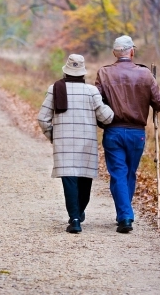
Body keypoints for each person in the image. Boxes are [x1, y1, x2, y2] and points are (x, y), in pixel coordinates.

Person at [95, 35, 160, 233]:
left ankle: (124, 215)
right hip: (137, 133)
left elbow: (95, 101)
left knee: (118, 173)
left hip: (113, 130)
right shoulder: (145, 74)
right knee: (128, 173)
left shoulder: (104, 73)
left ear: (114, 53)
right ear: (132, 52)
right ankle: (125, 215)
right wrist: (151, 85)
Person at [38, 54, 114, 234]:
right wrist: (109, 105)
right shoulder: (91, 91)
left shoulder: (54, 89)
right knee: (84, 180)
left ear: (65, 71)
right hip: (86, 142)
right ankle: (78, 213)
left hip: (63, 144)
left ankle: (74, 219)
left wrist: (53, 136)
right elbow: (107, 117)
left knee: (69, 180)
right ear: (83, 73)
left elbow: (43, 118)